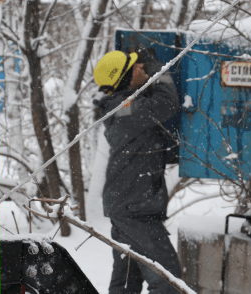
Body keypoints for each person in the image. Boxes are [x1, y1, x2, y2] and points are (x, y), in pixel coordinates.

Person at [93, 49, 182, 294]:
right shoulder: (125, 110)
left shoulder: (122, 106)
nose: (142, 68)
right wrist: (158, 70)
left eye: (142, 65)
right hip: (134, 207)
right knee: (169, 281)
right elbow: (166, 103)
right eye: (137, 67)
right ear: (124, 78)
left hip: (127, 203)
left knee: (127, 281)